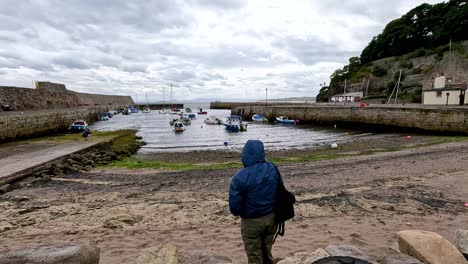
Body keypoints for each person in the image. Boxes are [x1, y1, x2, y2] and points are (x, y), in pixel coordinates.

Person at [229, 140, 281, 264]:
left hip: (251, 221)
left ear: (245, 154)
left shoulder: (239, 177)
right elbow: (280, 191)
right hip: (272, 218)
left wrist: (245, 212)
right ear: (262, 152)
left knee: (254, 256)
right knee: (267, 250)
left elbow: (234, 208)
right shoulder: (272, 168)